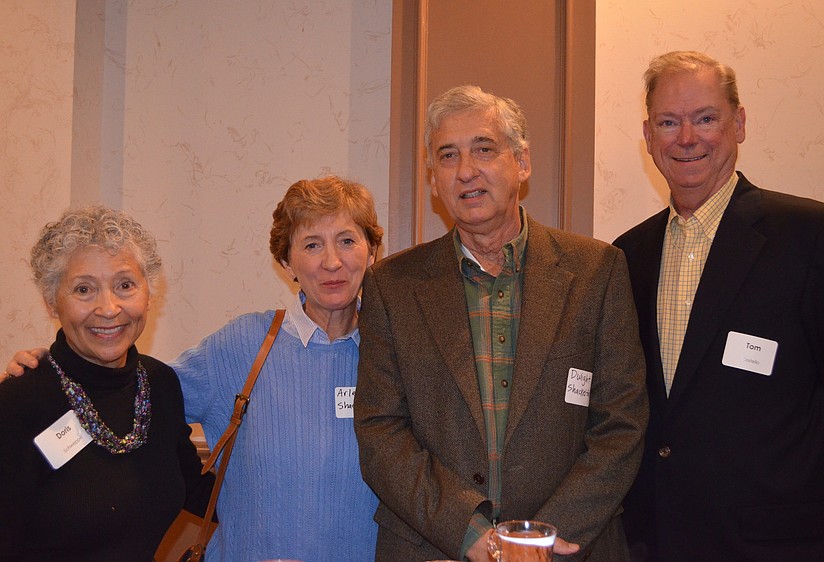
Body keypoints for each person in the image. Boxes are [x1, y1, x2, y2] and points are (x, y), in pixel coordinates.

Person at [4, 176, 383, 562]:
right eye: (312, 244)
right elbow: (115, 390)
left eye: (348, 241)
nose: (332, 261)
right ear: (287, 263)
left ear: (372, 253)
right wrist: (41, 374)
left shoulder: (397, 352)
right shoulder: (244, 344)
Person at [353, 85, 649, 562]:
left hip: (574, 546)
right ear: (433, 180)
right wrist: (470, 533)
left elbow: (622, 422)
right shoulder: (392, 285)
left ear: (523, 163)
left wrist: (538, 541)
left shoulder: (597, 270)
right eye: (447, 156)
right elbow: (380, 431)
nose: (465, 170)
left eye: (484, 150)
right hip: (431, 547)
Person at [613, 51, 824, 562]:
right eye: (668, 123)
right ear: (649, 137)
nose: (687, 138)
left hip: (781, 544)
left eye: (705, 118)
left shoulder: (813, 236)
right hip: (655, 540)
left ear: (738, 123)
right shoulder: (625, 255)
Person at [0, 205, 212, 561]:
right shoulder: (18, 402)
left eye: (125, 285)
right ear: (53, 302)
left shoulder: (160, 384)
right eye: (84, 289)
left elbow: (199, 490)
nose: (109, 308)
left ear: (149, 292)